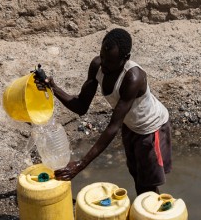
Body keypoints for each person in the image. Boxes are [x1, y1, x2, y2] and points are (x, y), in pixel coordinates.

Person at [44, 28, 172, 195]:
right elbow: (81, 106)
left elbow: (113, 127)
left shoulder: (133, 78)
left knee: (147, 184)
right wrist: (53, 87)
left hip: (151, 128)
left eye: (110, 62)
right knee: (136, 175)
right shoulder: (97, 66)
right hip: (131, 125)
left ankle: (156, 216)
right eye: (102, 57)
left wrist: (81, 164)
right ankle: (145, 213)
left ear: (126, 58)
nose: (104, 65)